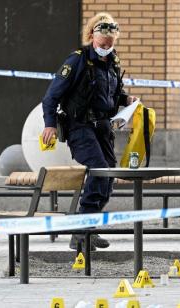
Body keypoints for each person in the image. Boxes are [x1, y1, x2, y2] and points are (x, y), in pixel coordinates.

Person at [41, 12, 137, 250]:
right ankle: (80, 231)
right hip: (79, 127)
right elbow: (51, 97)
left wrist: (127, 100)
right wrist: (50, 124)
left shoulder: (113, 63)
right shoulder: (77, 61)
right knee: (99, 170)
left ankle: (89, 227)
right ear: (92, 36)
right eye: (103, 44)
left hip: (103, 127)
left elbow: (113, 94)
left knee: (108, 175)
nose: (106, 47)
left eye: (110, 44)